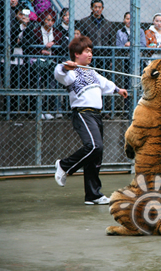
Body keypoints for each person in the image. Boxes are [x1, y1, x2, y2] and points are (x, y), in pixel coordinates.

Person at [53, 35, 128, 204]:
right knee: (94, 146)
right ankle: (64, 166)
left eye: (91, 51)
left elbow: (105, 83)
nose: (90, 54)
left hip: (96, 115)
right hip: (83, 113)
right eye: (87, 51)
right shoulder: (71, 73)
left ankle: (93, 195)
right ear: (77, 54)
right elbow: (59, 72)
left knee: (96, 155)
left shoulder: (91, 72)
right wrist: (66, 66)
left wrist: (118, 90)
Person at [25, 10, 65, 119]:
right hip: (37, 63)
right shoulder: (35, 32)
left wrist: (54, 44)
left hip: (51, 63)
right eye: (48, 20)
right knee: (38, 85)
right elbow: (28, 47)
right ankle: (38, 111)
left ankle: (48, 110)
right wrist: (41, 50)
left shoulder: (57, 33)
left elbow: (63, 46)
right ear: (43, 20)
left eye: (52, 20)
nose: (50, 22)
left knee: (51, 86)